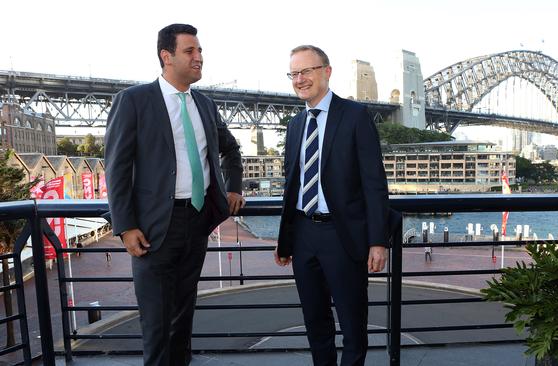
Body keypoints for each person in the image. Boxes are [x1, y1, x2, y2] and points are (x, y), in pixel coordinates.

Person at [104, 23, 244, 366]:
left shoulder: (206, 105)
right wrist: (125, 226)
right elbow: (116, 167)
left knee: (183, 315)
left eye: (199, 51)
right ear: (167, 56)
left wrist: (235, 186)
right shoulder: (134, 101)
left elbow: (231, 149)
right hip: (152, 228)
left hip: (197, 222)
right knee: (156, 322)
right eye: (190, 51)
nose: (199, 57)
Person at [275, 45, 389, 366]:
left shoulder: (355, 116)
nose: (300, 79)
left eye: (306, 71)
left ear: (326, 71)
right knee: (316, 324)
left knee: (353, 326)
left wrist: (378, 241)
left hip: (343, 237)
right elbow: (292, 185)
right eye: (294, 74)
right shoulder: (295, 124)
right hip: (303, 236)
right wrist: (286, 239)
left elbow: (374, 184)